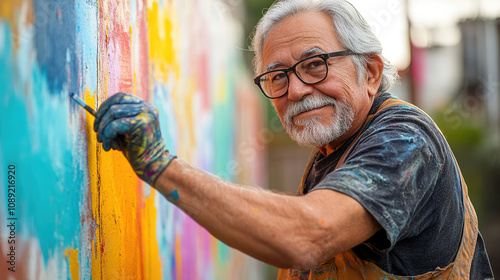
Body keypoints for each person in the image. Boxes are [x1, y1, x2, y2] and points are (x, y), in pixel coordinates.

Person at [94, 0, 494, 278]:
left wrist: (160, 164)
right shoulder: (334, 148)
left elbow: (308, 235)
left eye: (315, 64)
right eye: (278, 76)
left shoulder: (404, 141)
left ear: (370, 72)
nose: (297, 90)